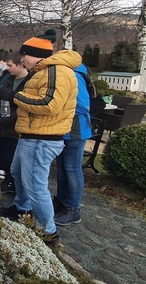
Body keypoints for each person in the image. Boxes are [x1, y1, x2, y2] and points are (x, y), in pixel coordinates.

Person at [0, 36, 80, 246]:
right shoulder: (43, 72)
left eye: (24, 55)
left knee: (35, 185)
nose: (22, 59)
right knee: (17, 172)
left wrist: (14, 96)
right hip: (31, 136)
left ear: (36, 55)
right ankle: (22, 209)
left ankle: (48, 231)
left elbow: (50, 104)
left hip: (42, 138)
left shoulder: (56, 72)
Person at [53, 62, 92, 226]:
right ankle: (62, 201)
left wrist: (59, 105)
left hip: (76, 130)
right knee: (61, 167)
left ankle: (73, 208)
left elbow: (84, 105)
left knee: (73, 169)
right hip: (64, 130)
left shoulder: (74, 75)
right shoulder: (65, 73)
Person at [0, 52, 29, 193]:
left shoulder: (28, 82)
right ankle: (7, 181)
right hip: (2, 127)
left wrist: (3, 121)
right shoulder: (8, 81)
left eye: (10, 65)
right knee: (4, 157)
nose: (7, 68)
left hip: (14, 129)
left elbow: (22, 108)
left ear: (21, 64)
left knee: (11, 158)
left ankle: (13, 184)